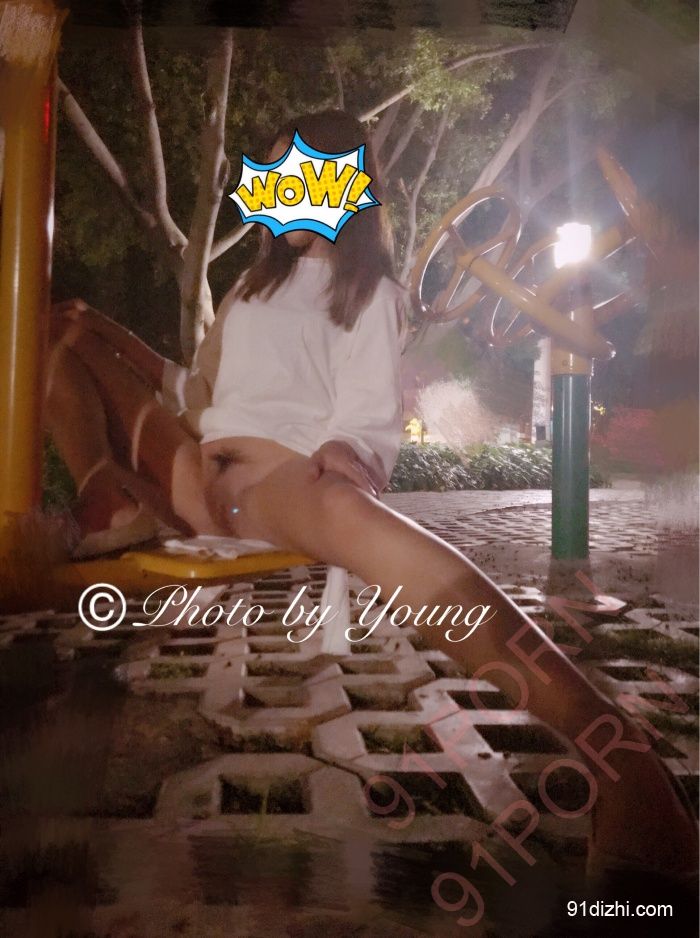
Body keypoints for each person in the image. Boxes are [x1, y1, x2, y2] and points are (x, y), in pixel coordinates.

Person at [46, 110, 696, 884]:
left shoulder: (370, 293)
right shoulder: (251, 287)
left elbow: (364, 418)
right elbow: (194, 393)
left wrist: (349, 451)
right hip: (188, 469)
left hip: (271, 482)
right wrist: (108, 331)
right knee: (57, 331)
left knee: (345, 510)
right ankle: (108, 495)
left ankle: (619, 759)